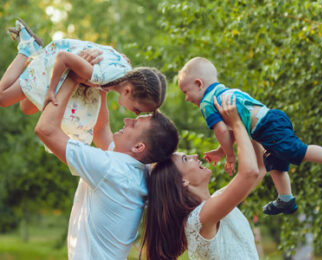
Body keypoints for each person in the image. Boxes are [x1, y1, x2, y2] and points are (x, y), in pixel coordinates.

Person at [177, 57, 322, 215]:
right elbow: (232, 130)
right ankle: (286, 199)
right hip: (270, 122)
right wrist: (220, 151)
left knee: (296, 150)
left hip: (267, 126)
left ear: (199, 84)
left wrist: (230, 156)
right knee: (273, 161)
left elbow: (222, 131)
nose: (186, 98)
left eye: (186, 92)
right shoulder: (224, 92)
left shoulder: (207, 103)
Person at [34, 70, 179, 259]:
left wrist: (72, 77)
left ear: (138, 147)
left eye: (133, 124)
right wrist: (104, 84)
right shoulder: (134, 169)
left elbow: (45, 130)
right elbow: (101, 131)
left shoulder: (112, 169)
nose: (126, 120)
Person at [1, 18, 166, 145]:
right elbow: (63, 58)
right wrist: (51, 89)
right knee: (3, 98)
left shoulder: (123, 70)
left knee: (27, 107)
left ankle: (32, 63)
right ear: (128, 91)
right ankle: (27, 49)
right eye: (137, 109)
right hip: (55, 61)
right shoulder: (101, 77)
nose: (135, 113)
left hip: (65, 64)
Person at [141, 94, 265, 260]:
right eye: (186, 159)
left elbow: (260, 166)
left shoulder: (216, 201)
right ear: (182, 181)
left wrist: (246, 124)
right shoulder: (199, 219)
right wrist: (236, 123)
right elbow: (249, 173)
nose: (194, 156)